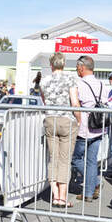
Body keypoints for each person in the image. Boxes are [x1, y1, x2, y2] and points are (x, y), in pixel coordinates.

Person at [40, 52, 80, 208]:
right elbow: (75, 102)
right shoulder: (70, 78)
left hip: (50, 120)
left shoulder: (44, 81)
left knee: (53, 158)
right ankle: (63, 198)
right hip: (66, 120)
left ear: (51, 65)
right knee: (64, 160)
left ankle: (55, 196)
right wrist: (79, 118)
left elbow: (44, 101)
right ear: (63, 64)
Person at [70, 56, 105, 201]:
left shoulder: (79, 83)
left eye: (77, 67)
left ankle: (94, 184)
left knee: (75, 158)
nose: (77, 69)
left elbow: (76, 105)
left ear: (82, 67)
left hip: (84, 127)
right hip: (98, 127)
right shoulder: (102, 84)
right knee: (91, 161)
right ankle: (89, 192)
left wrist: (78, 121)